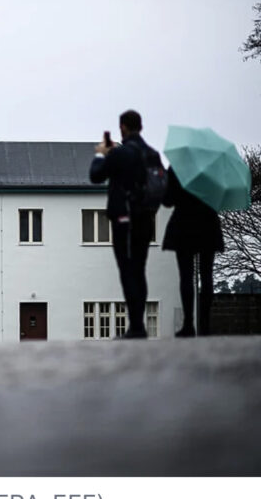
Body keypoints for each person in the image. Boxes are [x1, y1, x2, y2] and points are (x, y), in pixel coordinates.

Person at [90, 109, 160, 339]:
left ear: (122, 127)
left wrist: (101, 153)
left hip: (125, 219)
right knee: (140, 270)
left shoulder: (121, 154)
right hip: (146, 218)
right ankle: (138, 325)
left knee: (127, 271)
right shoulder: (152, 153)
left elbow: (96, 176)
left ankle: (137, 327)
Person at [162, 168, 224, 337]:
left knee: (186, 276)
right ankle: (205, 325)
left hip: (184, 223)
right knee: (207, 274)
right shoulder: (213, 169)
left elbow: (167, 200)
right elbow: (220, 196)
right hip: (208, 222)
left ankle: (188, 323)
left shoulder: (178, 168)